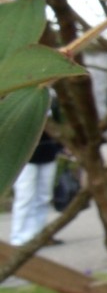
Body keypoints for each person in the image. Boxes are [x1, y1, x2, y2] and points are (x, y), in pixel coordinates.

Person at [10, 101, 62, 246]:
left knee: (44, 196)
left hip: (48, 153)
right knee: (25, 196)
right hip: (25, 157)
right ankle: (18, 237)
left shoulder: (52, 101)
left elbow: (57, 126)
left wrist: (60, 147)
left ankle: (38, 234)